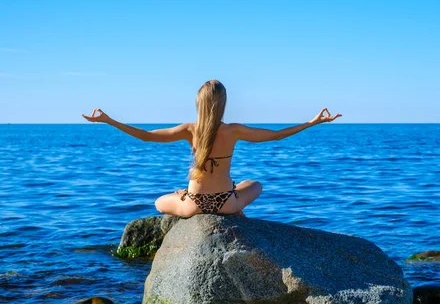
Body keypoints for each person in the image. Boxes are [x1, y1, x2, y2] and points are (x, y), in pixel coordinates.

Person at [82, 79, 341, 217]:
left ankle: (185, 195)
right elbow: (275, 136)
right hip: (226, 204)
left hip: (193, 205)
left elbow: (146, 136)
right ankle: (230, 199)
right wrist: (313, 122)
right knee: (256, 184)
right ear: (224, 103)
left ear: (199, 103)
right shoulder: (234, 130)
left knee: (159, 202)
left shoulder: (189, 129)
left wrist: (109, 120)